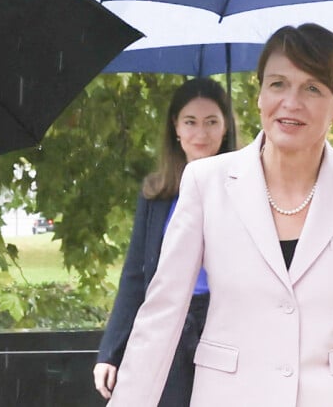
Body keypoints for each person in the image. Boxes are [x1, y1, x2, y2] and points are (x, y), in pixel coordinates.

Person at [107, 23, 333, 407]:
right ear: (259, 94)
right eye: (278, 84)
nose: (291, 102)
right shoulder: (206, 182)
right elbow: (161, 315)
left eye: (312, 88)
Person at [94, 77, 236, 405]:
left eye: (212, 122)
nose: (201, 133)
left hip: (225, 330)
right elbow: (135, 275)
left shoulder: (245, 189)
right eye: (191, 122)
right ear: (176, 127)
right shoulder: (156, 193)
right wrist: (110, 352)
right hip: (168, 327)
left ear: (226, 127)